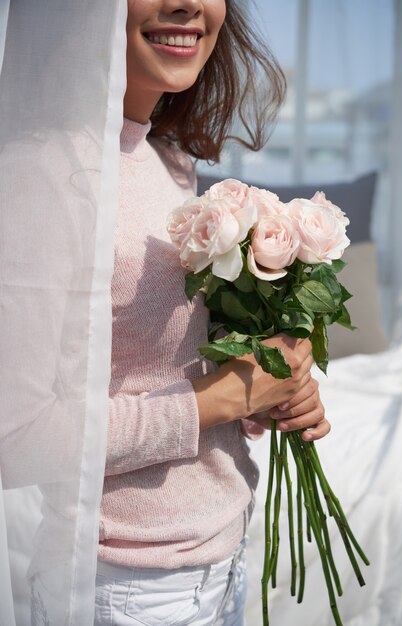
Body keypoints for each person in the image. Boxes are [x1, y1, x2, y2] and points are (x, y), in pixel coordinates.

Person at [94, 1, 330, 625]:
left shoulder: (168, 157)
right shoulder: (52, 177)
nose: (188, 3)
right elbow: (27, 432)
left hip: (221, 554)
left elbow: (158, 360)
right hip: (130, 580)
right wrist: (219, 398)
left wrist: (268, 386)